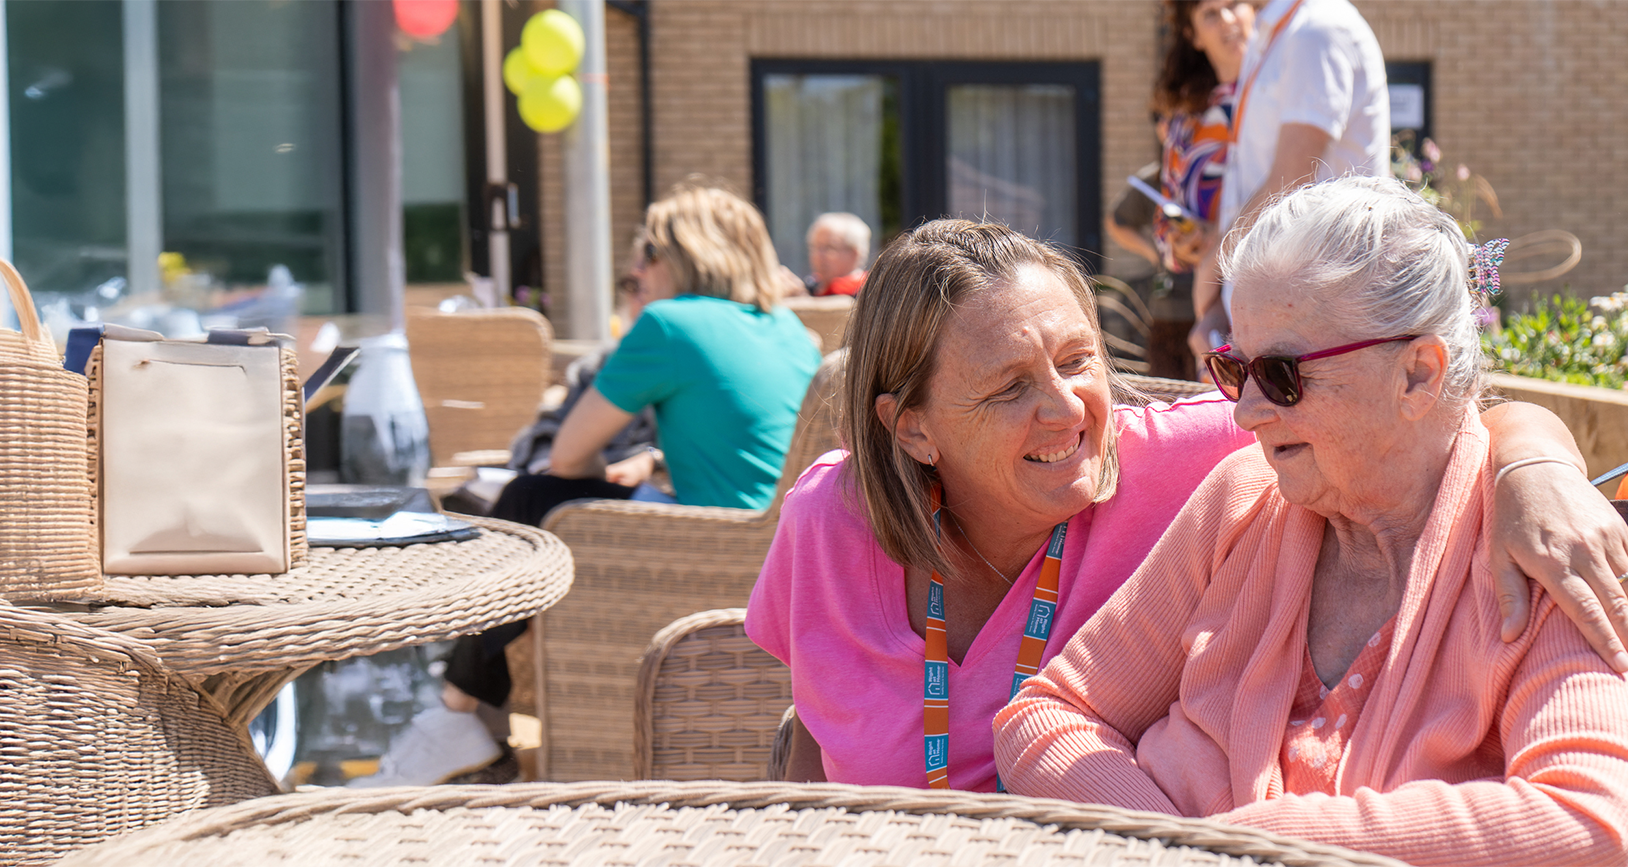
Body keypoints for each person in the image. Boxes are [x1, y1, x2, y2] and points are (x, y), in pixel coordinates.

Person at [745, 217, 1628, 794]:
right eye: (1010, 388)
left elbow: (1430, 420)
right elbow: (813, 737)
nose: (1069, 411)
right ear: (912, 432)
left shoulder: (1195, 457)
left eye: (1078, 359)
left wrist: (1535, 462)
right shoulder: (828, 520)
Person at [993, 177, 1628, 866]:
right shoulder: (1243, 496)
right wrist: (1170, 848)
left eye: (1284, 373)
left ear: (1418, 375)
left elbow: (1592, 820)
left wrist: (1245, 850)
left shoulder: (1536, 552)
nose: (1246, 411)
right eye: (1237, 368)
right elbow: (1047, 716)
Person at [354, 184, 823, 787]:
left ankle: (455, 716)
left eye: (648, 251)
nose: (635, 269)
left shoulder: (670, 324)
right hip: (778, 550)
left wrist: (618, 472)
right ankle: (466, 723)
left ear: (689, 253)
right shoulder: (786, 328)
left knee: (528, 498)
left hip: (708, 547)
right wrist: (653, 463)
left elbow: (569, 456)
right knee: (540, 501)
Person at [1190, 0, 1388, 361]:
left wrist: (1215, 264)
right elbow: (1259, 183)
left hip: (1318, 321)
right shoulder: (1279, 32)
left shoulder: (1317, 29)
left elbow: (1292, 178)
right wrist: (1224, 298)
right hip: (1286, 315)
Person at [804, 212, 871, 296]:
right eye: (814, 248)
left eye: (829, 248)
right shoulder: (811, 285)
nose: (819, 256)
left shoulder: (868, 291)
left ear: (854, 254)